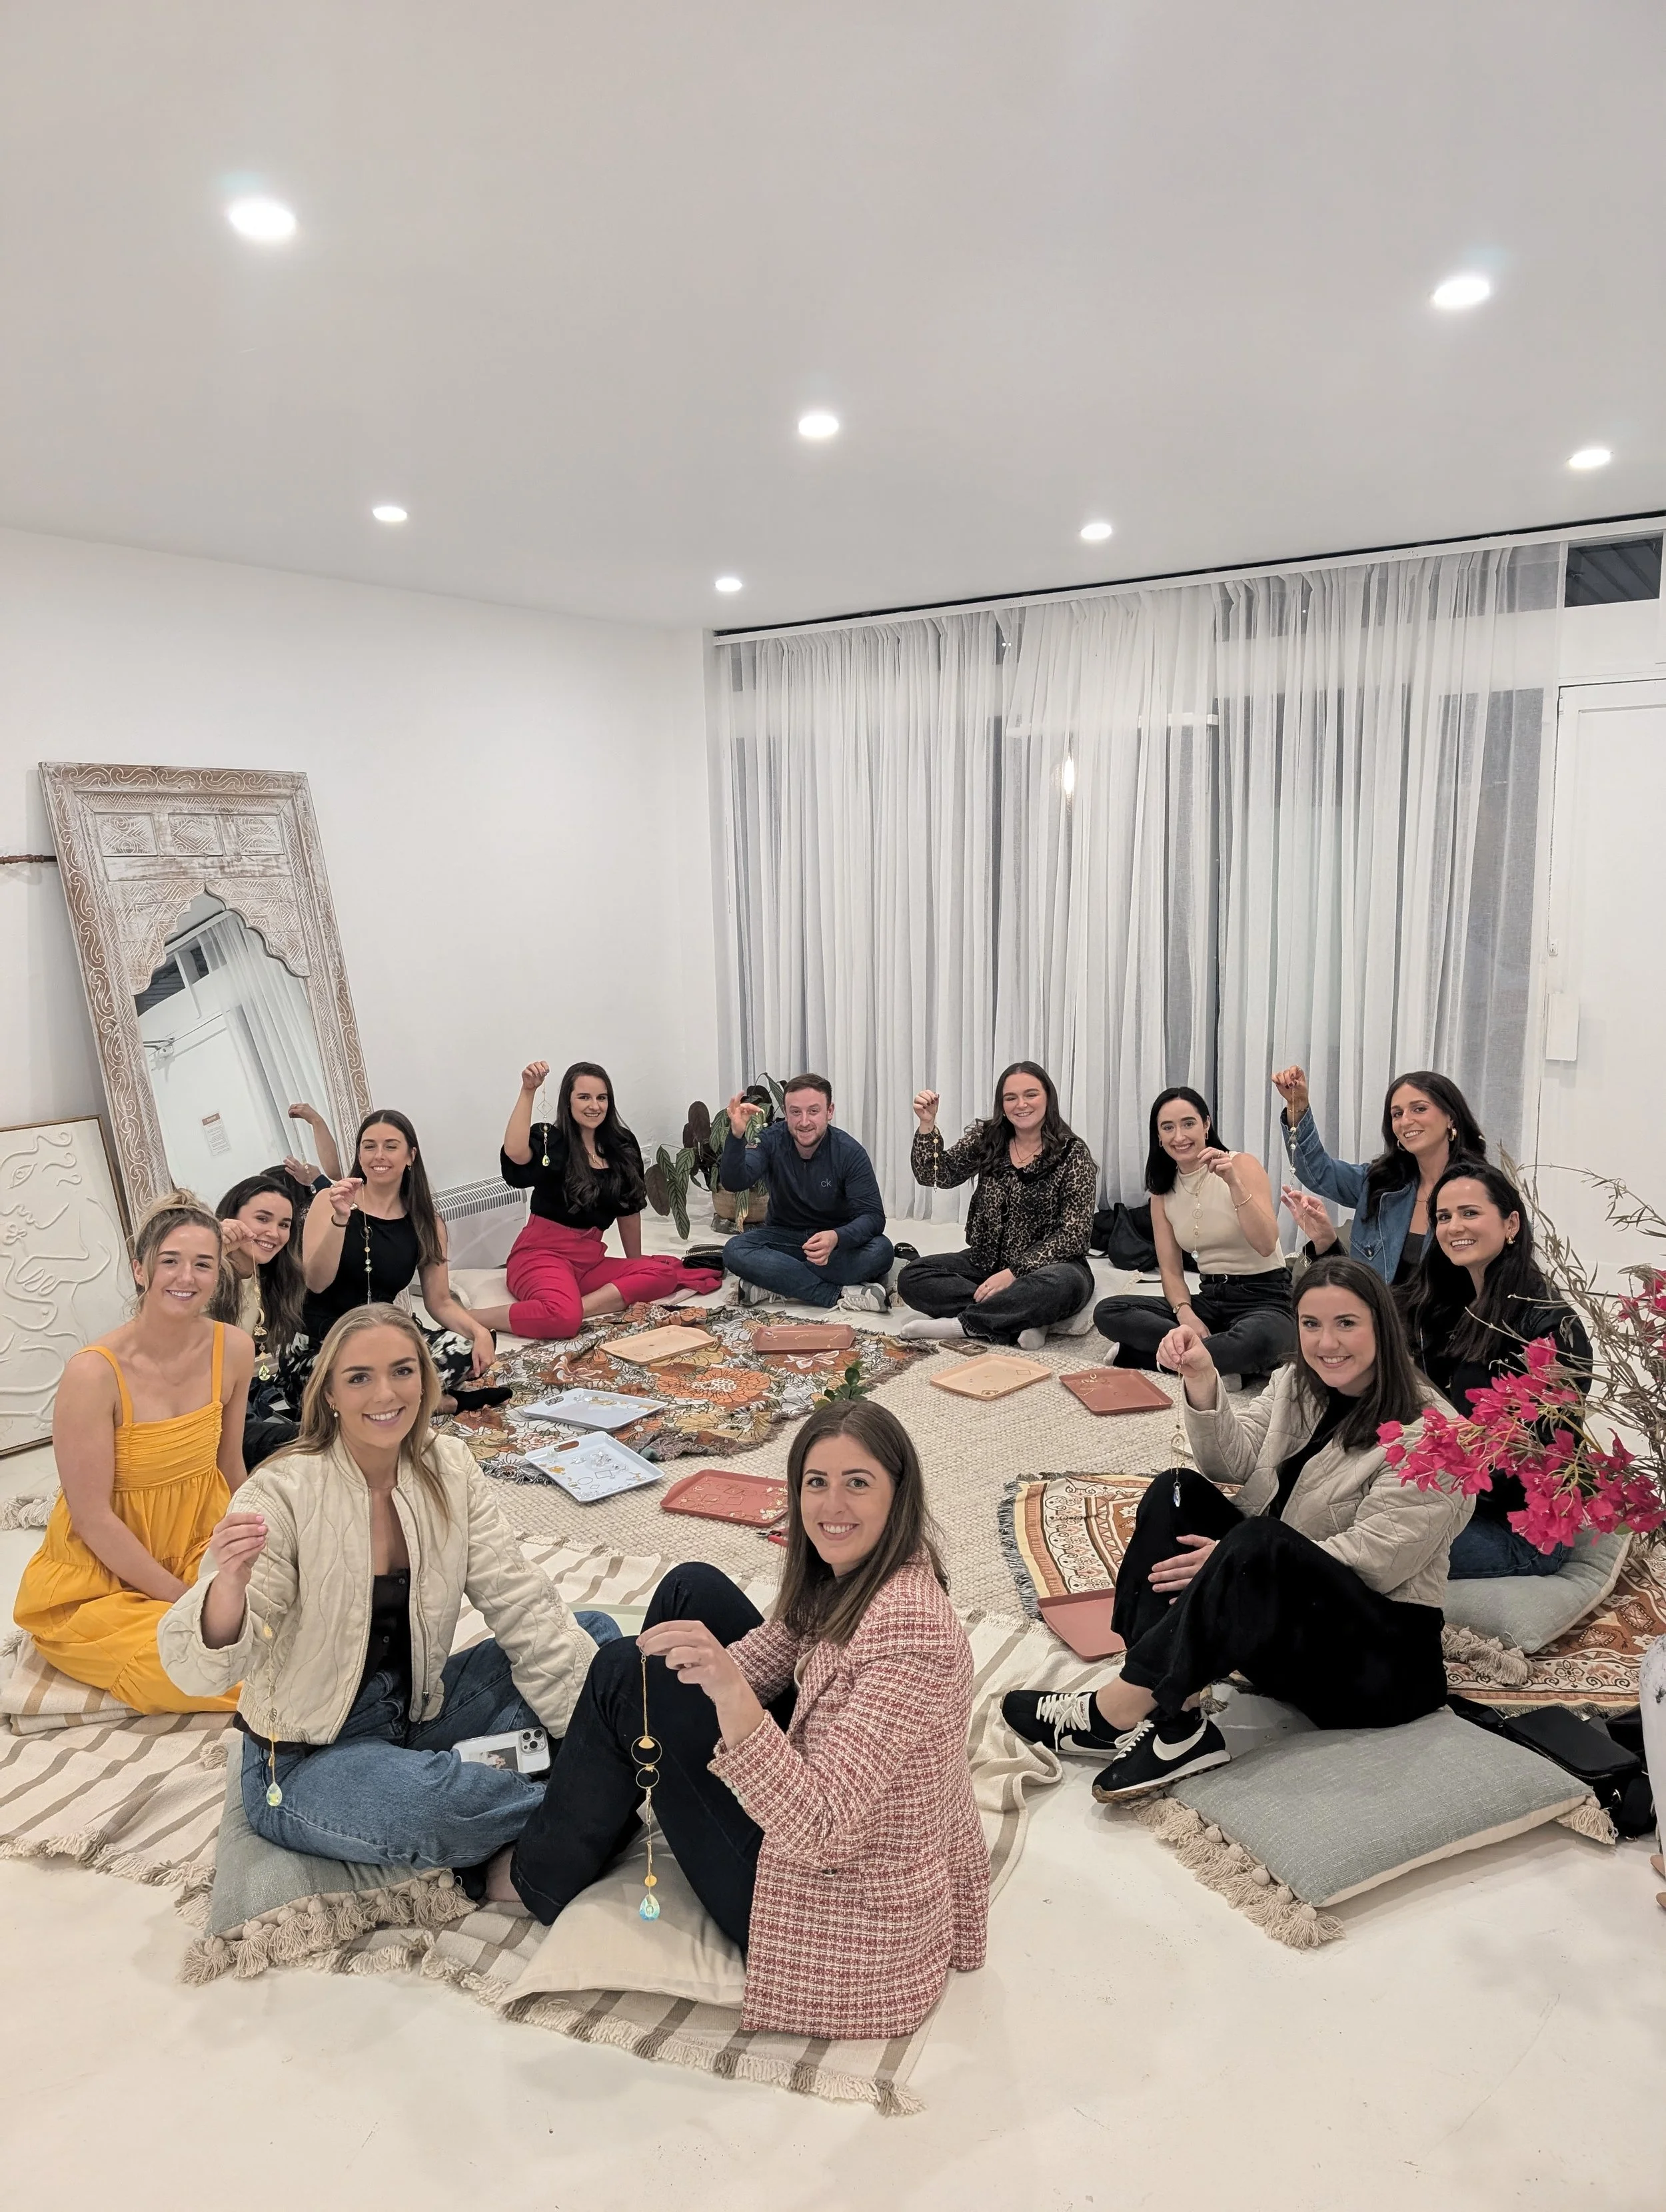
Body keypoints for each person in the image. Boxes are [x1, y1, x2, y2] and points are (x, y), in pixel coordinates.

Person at [509, 1399, 988, 2041]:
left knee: (625, 1673)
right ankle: (615, 1783)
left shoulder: (910, 1633)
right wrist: (703, 1686)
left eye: (858, 1483)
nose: (832, 1506)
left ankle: (536, 1878)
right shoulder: (858, 1573)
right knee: (690, 1590)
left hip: (834, 1912)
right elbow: (770, 1654)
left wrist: (728, 1698)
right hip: (825, 1810)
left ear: (899, 1495)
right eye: (816, 1483)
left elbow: (821, 1830)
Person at [157, 1306, 618, 1883]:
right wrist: (228, 1585)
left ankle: (561, 1797)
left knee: (596, 1640)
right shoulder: (280, 1490)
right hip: (306, 1758)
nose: (386, 1394)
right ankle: (588, 1797)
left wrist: (578, 1722)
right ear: (329, 1393)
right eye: (359, 1377)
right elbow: (196, 1671)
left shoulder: (450, 1466)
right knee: (431, 1806)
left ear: (424, 1379)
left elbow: (518, 1598)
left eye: (402, 1371)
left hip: (419, 1715)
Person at [1002, 1256, 1469, 1796]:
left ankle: (1115, 1710)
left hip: (1378, 1669)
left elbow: (1379, 1561)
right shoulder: (1298, 1382)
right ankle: (1175, 1719)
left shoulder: (1437, 1435)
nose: (1327, 1343)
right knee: (1176, 1491)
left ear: (1381, 1326)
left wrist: (1234, 1558)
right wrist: (1203, 1380)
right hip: (1289, 1631)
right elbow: (1232, 1462)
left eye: (1346, 1323)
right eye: (1311, 1324)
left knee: (1258, 1540)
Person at [13, 1192, 254, 1714]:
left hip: (199, 1543)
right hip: (101, 1576)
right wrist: (182, 1599)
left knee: (291, 1625)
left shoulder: (234, 1348)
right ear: (140, 1270)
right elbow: (92, 1518)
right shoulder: (93, 1373)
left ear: (218, 1276)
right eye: (170, 1261)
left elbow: (230, 1466)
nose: (186, 1277)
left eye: (203, 1264)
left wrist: (262, 1542)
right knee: (195, 1667)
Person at [1407, 1159, 1593, 1579]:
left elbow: (1539, 1452)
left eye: (1470, 1213)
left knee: (1380, 1547)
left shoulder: (1550, 1326)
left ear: (1512, 1224)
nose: (1454, 1227)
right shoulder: (1454, 1301)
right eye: (1443, 1217)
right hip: (1463, 1501)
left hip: (1518, 1529)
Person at [468, 1061, 720, 1341]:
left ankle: (576, 1307)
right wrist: (528, 1091)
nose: (594, 1106)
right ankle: (469, 1319)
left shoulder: (622, 1144)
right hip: (540, 1255)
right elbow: (516, 1153)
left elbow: (629, 1210)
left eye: (602, 1098)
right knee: (563, 1320)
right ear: (568, 1101)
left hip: (589, 1261)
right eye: (584, 1097)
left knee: (663, 1274)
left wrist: (634, 1267)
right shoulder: (553, 1141)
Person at [297, 1107, 509, 1412]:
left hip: (385, 1338)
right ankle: (438, 1402)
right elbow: (316, 1283)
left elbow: (440, 1301)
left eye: (390, 1146)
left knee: (463, 1348)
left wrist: (479, 1332)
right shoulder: (330, 1201)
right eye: (369, 1146)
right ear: (359, 1155)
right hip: (324, 1345)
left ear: (411, 1156)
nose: (379, 1156)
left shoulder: (426, 1222)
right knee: (338, 1386)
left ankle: (392, 1400)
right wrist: (340, 1220)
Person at [1093, 1086, 1295, 1379]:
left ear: (1206, 1125)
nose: (1180, 1136)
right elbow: (1171, 1272)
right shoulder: (1162, 1194)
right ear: (1159, 1137)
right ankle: (1217, 1362)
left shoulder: (1241, 1164)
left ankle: (1145, 1357)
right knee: (1109, 1311)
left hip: (1265, 1298)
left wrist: (1233, 1183)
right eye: (1168, 1128)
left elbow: (1266, 1244)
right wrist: (1185, 1315)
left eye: (1188, 1124)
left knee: (1262, 1339)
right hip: (1211, 1298)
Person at [897, 1062, 1097, 1349]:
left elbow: (1074, 1236)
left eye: (1031, 1095)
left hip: (1051, 1268)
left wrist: (1014, 1273)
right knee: (913, 1277)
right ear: (1002, 1105)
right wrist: (927, 1124)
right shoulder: (988, 1139)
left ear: (1048, 1098)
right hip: (986, 1263)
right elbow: (936, 1175)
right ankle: (1025, 1317)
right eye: (1011, 1098)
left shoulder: (1073, 1154)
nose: (1021, 1105)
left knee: (1063, 1286)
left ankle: (961, 1325)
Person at [1273, 1062, 1487, 1289]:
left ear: (1450, 1118)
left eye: (1419, 1109)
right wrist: (1298, 1105)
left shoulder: (1481, 1189)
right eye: (1397, 1114)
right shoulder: (1379, 1183)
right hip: (1374, 1310)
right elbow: (1317, 1170)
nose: (1406, 1121)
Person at [718, 1073, 894, 1313]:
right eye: (795, 1112)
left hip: (834, 1244)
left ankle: (779, 1281)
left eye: (813, 1111)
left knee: (881, 1252)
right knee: (734, 1251)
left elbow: (873, 1217)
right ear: (786, 1112)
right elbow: (734, 1181)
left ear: (829, 1111)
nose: (804, 1122)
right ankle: (836, 1294)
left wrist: (837, 1237)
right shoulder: (769, 1140)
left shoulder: (850, 1152)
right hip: (783, 1238)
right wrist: (737, 1135)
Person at [209, 1173, 309, 1468]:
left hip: (247, 1397)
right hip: (202, 1411)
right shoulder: (201, 1277)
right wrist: (213, 1251)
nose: (274, 1233)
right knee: (309, 1442)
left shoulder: (273, 1280)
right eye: (262, 1219)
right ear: (232, 1217)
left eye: (284, 1225)